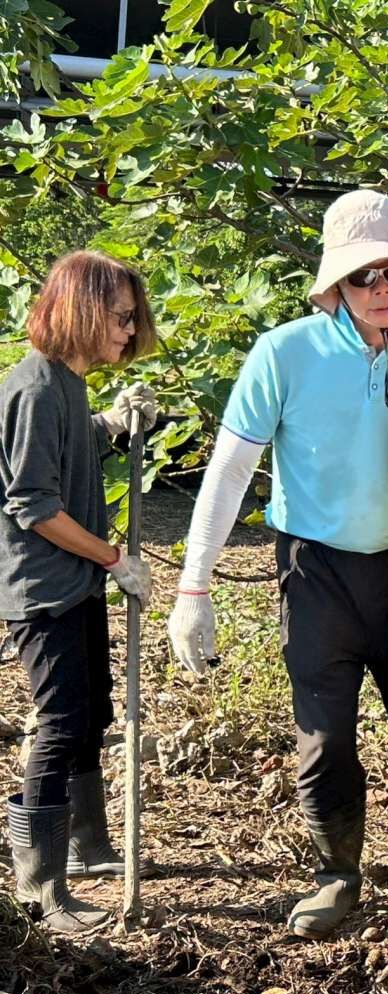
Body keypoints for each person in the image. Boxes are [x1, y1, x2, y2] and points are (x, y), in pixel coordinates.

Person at [166, 189, 388, 939]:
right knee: (324, 736)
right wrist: (193, 586)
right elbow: (229, 470)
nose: (381, 288)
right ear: (336, 286)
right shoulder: (284, 353)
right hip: (317, 569)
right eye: (364, 277)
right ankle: (336, 874)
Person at [2, 250, 158, 933]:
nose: (128, 332)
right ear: (82, 309)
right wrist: (114, 556)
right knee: (60, 723)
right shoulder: (32, 387)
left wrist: (113, 425)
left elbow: (64, 451)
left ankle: (88, 845)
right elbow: (34, 503)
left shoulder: (67, 382)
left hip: (78, 581)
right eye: (119, 318)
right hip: (43, 589)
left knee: (90, 710)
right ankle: (42, 887)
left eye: (131, 319)